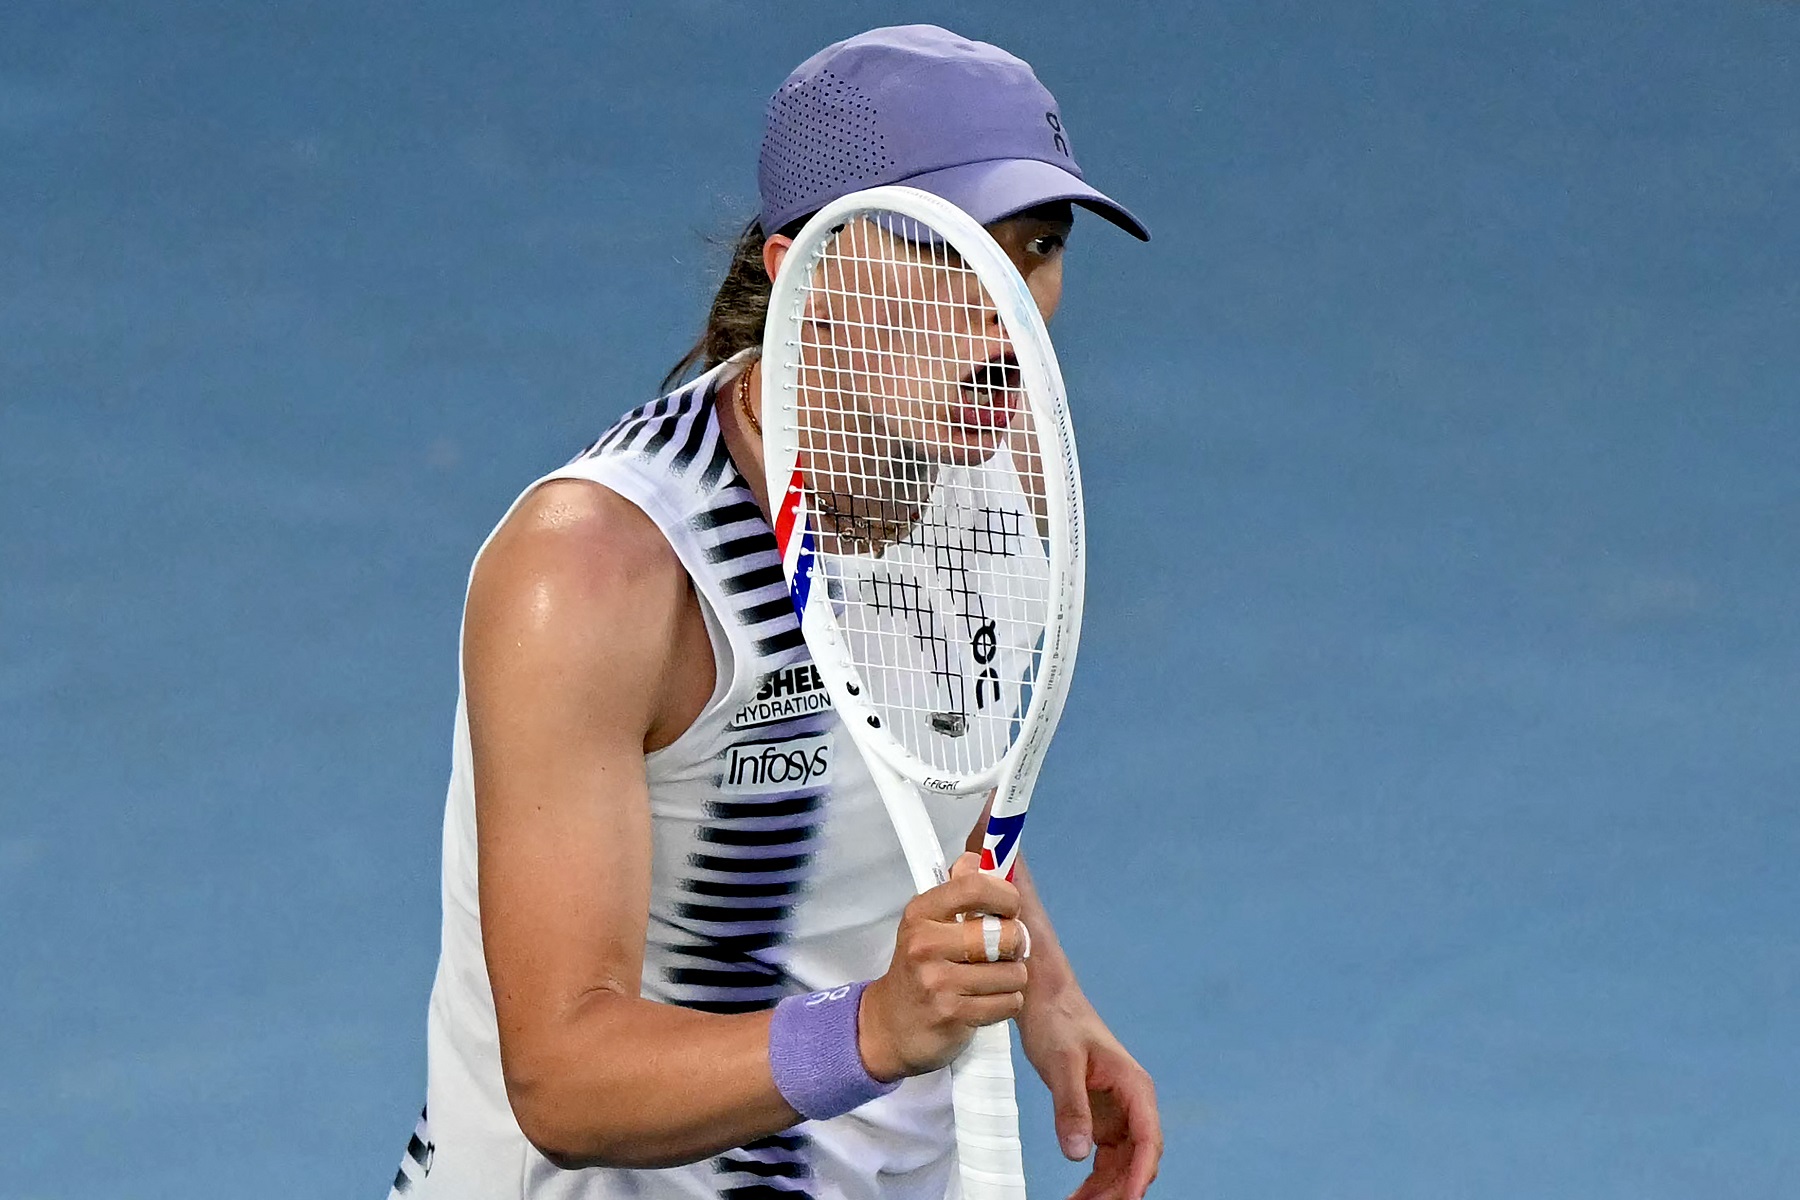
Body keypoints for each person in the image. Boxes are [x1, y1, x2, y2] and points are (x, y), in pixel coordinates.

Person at [390, 24, 1160, 1200]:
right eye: (947, 255)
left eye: (1038, 247)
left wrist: (1050, 1000)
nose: (1008, 313)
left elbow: (936, 773)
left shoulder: (1007, 475)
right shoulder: (599, 572)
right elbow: (561, 1080)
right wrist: (875, 1030)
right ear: (808, 273)